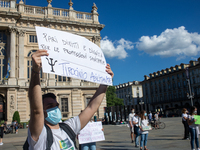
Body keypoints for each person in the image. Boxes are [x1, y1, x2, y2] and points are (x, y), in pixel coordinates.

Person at [27, 50, 114, 149]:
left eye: (56, 105)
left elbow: (91, 107)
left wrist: (105, 81)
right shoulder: (40, 134)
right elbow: (36, 110)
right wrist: (35, 72)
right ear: (43, 111)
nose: (55, 109)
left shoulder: (68, 127)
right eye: (50, 106)